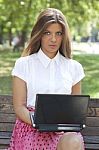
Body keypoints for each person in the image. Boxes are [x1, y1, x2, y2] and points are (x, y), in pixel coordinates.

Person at [8, 8, 85, 150]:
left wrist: (63, 124)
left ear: (64, 36)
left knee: (73, 141)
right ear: (39, 34)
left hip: (62, 129)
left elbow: (75, 111)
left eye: (59, 33)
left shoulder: (74, 68)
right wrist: (38, 121)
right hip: (31, 126)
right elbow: (19, 107)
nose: (54, 39)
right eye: (47, 33)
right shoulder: (24, 64)